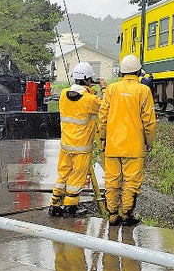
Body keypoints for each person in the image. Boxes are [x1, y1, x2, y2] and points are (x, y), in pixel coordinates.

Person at [98, 54, 157, 226]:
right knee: (131, 181)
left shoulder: (111, 89)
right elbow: (149, 120)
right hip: (134, 145)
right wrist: (149, 142)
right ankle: (126, 214)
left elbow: (103, 116)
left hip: (113, 143)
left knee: (112, 179)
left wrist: (103, 137)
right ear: (139, 71)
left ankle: (112, 215)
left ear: (121, 72)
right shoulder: (143, 91)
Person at [49, 61, 103, 217]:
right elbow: (105, 106)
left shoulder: (63, 95)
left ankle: (55, 204)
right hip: (81, 147)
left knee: (63, 175)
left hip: (66, 145)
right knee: (76, 177)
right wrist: (102, 88)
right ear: (88, 80)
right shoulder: (90, 100)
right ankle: (71, 207)